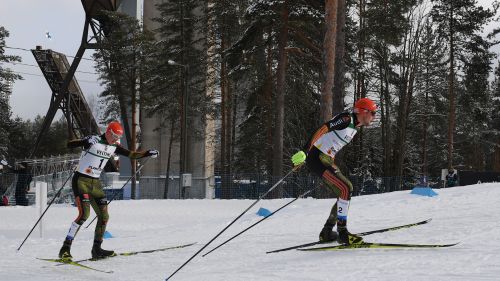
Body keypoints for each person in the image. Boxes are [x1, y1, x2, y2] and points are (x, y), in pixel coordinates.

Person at [58, 121, 159, 260]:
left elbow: (131, 154)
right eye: (115, 136)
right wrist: (84, 140)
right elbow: (70, 144)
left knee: (104, 217)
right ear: (108, 132)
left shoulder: (113, 146)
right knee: (84, 215)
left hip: (95, 183)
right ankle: (65, 248)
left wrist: (147, 153)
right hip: (81, 180)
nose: (116, 139)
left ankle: (97, 249)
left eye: (118, 137)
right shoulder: (94, 140)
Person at [291, 98, 377, 245]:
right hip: (317, 158)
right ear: (364, 111)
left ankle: (327, 231)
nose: (374, 117)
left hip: (325, 159)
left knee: (344, 192)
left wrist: (332, 164)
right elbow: (323, 129)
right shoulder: (346, 119)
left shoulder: (354, 128)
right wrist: (305, 151)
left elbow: (332, 144)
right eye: (373, 113)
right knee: (346, 187)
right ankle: (342, 233)